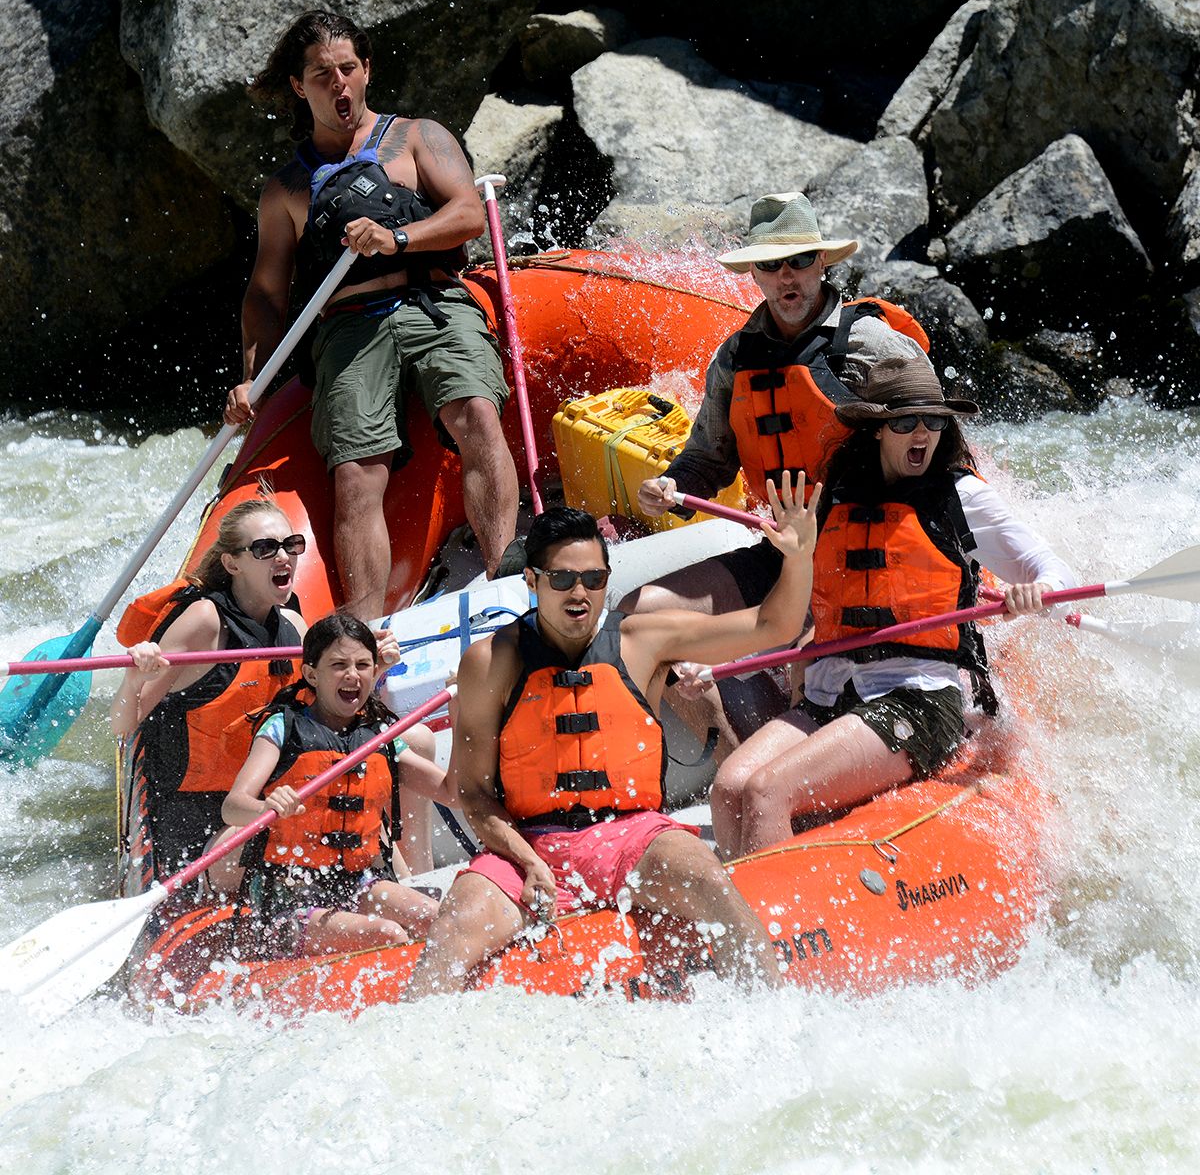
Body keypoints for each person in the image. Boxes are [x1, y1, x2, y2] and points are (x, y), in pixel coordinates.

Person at [405, 482, 820, 998]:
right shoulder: (490, 662)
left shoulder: (644, 639)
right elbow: (474, 793)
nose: (579, 593)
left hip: (633, 836)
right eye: (562, 579)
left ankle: (776, 1023)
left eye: (593, 579)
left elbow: (772, 623)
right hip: (530, 843)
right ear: (533, 582)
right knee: (454, 928)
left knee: (711, 881)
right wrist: (529, 860)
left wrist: (799, 556)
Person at [707, 354, 1075, 859]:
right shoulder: (829, 496)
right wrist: (712, 660)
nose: (921, 432)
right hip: (831, 695)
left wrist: (1035, 592)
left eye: (933, 420)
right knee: (729, 789)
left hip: (920, 700)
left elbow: (1049, 569)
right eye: (905, 421)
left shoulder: (961, 497)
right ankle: (737, 920)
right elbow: (789, 613)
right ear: (878, 428)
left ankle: (772, 935)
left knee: (767, 792)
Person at [222, 10, 518, 618]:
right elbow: (266, 294)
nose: (339, 84)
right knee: (357, 475)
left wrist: (397, 239)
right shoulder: (285, 190)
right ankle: (362, 637)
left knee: (478, 417)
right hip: (350, 327)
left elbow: (469, 214)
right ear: (299, 88)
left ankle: (506, 587)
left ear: (366, 71)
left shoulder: (417, 138)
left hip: (434, 303)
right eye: (322, 74)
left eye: (348, 68)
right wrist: (253, 374)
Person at [623, 191, 930, 754]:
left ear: (823, 264)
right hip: (784, 553)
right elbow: (705, 462)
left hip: (868, 554)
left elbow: (941, 456)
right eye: (771, 264)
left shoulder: (874, 346)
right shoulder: (735, 357)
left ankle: (785, 764)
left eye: (800, 261)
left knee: (812, 671)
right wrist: (671, 486)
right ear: (755, 275)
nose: (787, 277)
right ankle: (735, 764)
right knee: (639, 618)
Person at [211, 613, 455, 957]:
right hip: (289, 893)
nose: (352, 675)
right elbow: (233, 805)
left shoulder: (379, 737)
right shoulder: (282, 728)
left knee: (441, 920)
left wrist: (463, 715)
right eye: (338, 665)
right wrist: (267, 807)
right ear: (312, 674)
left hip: (357, 882)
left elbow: (451, 792)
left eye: (362, 665)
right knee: (389, 934)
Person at [111, 499, 309, 877]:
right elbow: (124, 724)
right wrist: (132, 678)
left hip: (254, 798)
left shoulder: (294, 627)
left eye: (291, 545)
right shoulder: (205, 623)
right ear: (232, 564)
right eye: (266, 548)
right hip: (185, 813)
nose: (283, 557)